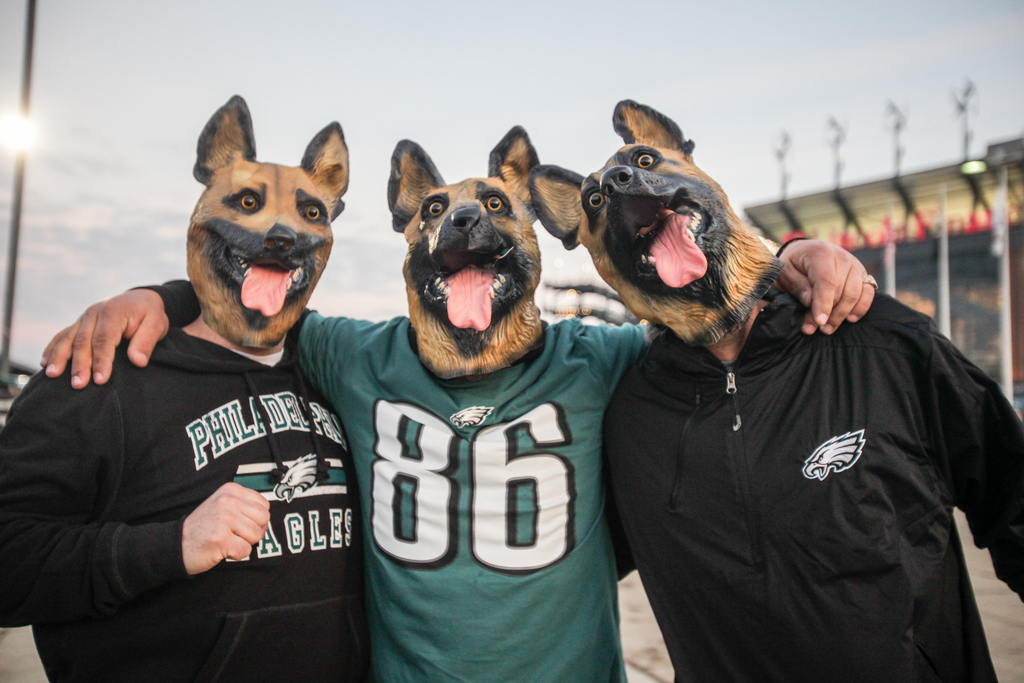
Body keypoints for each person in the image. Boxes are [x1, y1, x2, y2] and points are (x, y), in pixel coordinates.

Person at [41, 126, 871, 683]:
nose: (465, 218)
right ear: (408, 234)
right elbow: (255, 301)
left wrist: (799, 252)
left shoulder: (603, 357)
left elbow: (711, 314)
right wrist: (159, 295)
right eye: (435, 210)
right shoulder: (350, 352)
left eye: (495, 207)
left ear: (539, 236)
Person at [529, 99, 1024, 682]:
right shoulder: (628, 418)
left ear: (698, 170)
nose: (617, 182)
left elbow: (1013, 504)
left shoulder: (885, 346)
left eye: (642, 160)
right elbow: (548, 568)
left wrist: (792, 251)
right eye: (595, 201)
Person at [0, 96, 368, 682]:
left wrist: (165, 295)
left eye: (310, 212)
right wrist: (169, 547)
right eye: (247, 204)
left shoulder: (335, 373)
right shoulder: (99, 376)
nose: (282, 230)